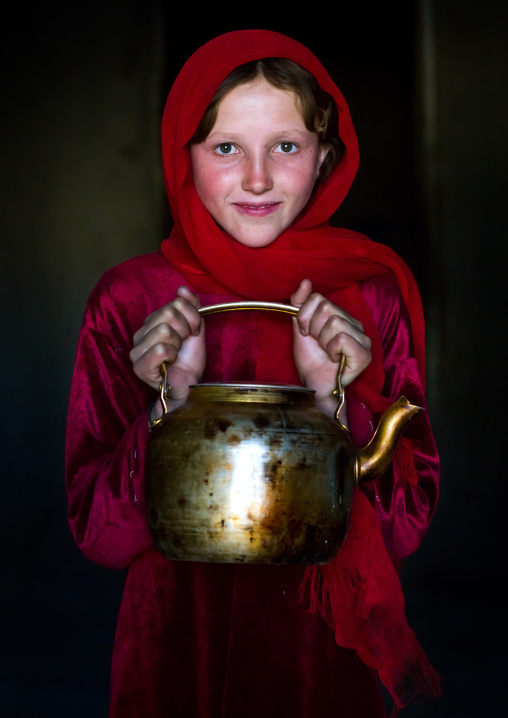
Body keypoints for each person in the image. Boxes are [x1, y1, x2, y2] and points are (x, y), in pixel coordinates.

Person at [66, 29, 440, 718]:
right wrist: (167, 405)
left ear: (326, 156)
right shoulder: (133, 301)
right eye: (226, 147)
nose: (259, 178)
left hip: (322, 667)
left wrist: (341, 400)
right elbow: (99, 534)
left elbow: (405, 530)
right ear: (182, 155)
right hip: (176, 661)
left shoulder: (365, 298)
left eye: (287, 147)